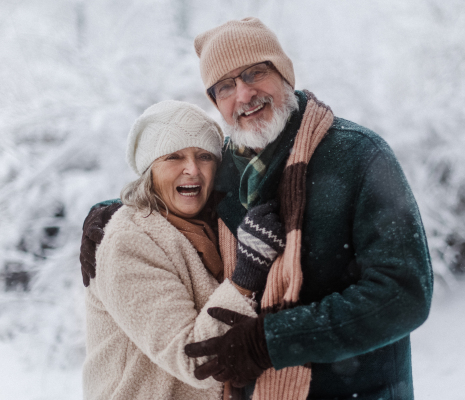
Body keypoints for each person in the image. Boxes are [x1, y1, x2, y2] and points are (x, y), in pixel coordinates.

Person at [80, 18, 434, 400]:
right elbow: (173, 194)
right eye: (226, 86)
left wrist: (272, 341)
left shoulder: (358, 157)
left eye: (255, 73)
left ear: (284, 74)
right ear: (216, 102)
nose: (244, 94)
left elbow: (404, 293)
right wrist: (112, 212)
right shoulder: (231, 170)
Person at [82, 100, 285, 400]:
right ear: (149, 170)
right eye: (174, 157)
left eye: (204, 156)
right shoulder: (128, 243)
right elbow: (195, 359)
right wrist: (246, 276)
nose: (192, 169)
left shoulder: (214, 228)